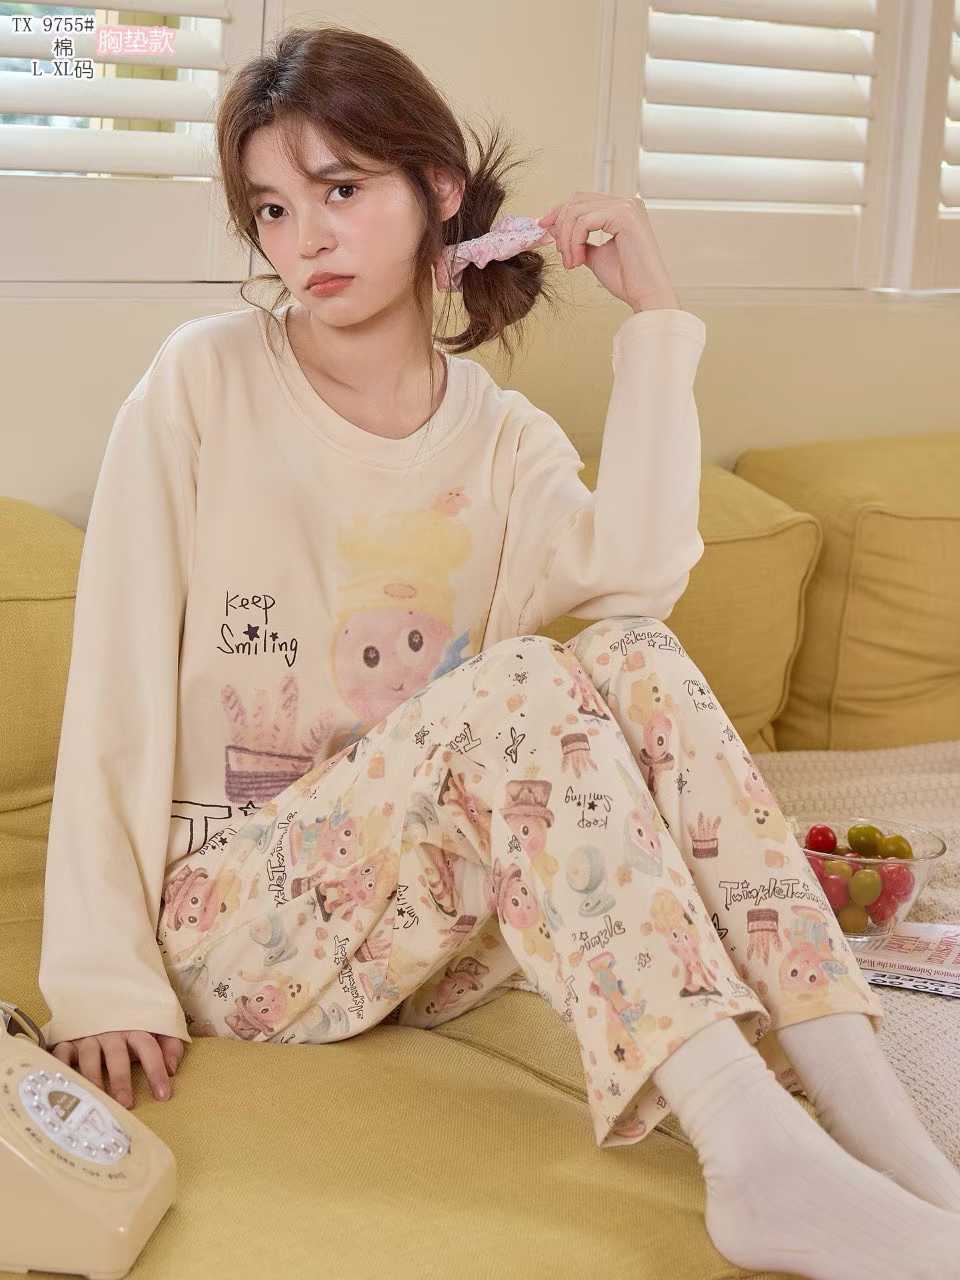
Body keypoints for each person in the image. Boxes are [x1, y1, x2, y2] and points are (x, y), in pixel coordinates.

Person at [36, 23, 960, 1280]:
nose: (304, 238)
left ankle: (888, 1139)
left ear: (440, 189)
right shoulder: (205, 383)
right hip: (239, 924)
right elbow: (118, 683)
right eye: (273, 208)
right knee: (522, 677)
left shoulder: (503, 435)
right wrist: (102, 978)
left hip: (438, 942)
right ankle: (756, 1152)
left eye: (341, 189)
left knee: (629, 652)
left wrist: (658, 320)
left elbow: (638, 577)